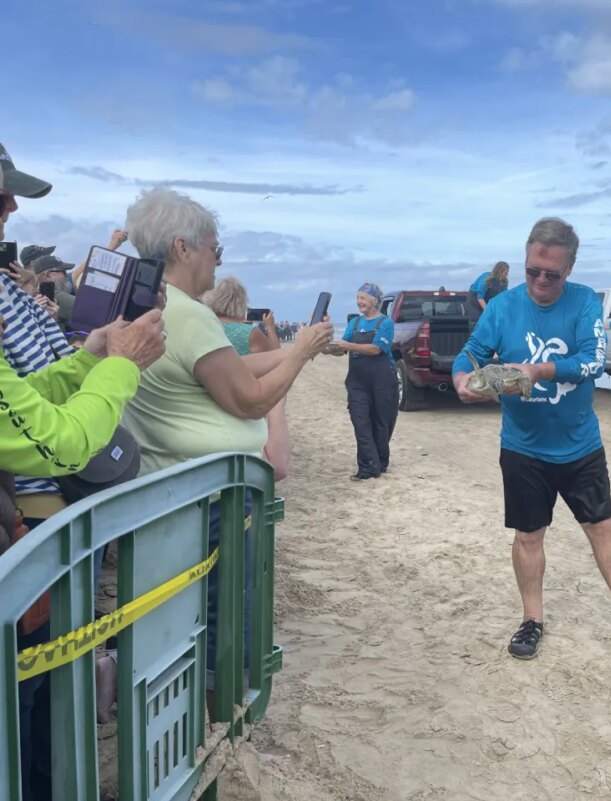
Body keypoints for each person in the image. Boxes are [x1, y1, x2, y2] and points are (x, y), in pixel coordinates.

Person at [1, 141, 167, 801]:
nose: (10, 206)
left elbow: (22, 399)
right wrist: (120, 366)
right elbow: (56, 444)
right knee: (24, 725)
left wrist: (89, 355)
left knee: (38, 709)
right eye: (0, 192)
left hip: (30, 536)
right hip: (28, 537)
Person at [120, 187, 333, 701]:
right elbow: (250, 399)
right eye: (216, 249)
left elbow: (228, 368)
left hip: (168, 484)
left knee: (184, 611)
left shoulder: (152, 304)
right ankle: (221, 709)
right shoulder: (189, 314)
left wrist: (285, 352)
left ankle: (199, 704)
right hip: (209, 495)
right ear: (182, 248)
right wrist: (300, 354)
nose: (219, 261)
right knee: (221, 611)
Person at [453, 217, 611, 660]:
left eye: (553, 274)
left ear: (569, 269)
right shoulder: (502, 307)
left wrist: (538, 371)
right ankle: (532, 620)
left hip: (579, 444)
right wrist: (461, 379)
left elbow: (593, 362)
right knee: (529, 536)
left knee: (602, 527)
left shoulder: (586, 302)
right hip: (522, 446)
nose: (542, 281)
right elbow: (470, 352)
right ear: (524, 261)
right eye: (533, 271)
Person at [201, 276, 290, 480]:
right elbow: (276, 358)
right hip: (245, 393)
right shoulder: (250, 333)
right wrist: (270, 328)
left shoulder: (207, 327)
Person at [330, 282, 398, 480]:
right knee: (360, 421)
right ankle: (368, 467)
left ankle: (381, 462)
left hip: (383, 380)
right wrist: (327, 347)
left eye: (363, 298)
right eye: (358, 298)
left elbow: (376, 349)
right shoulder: (355, 324)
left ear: (374, 300)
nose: (359, 302)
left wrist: (348, 345)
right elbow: (342, 349)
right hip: (357, 381)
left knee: (382, 423)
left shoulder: (386, 324)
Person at [466, 260, 509, 326]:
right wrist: (488, 312)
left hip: (488, 300)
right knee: (478, 322)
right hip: (475, 300)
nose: (507, 275)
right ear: (500, 271)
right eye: (505, 273)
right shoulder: (487, 278)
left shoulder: (504, 282)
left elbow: (503, 298)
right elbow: (480, 297)